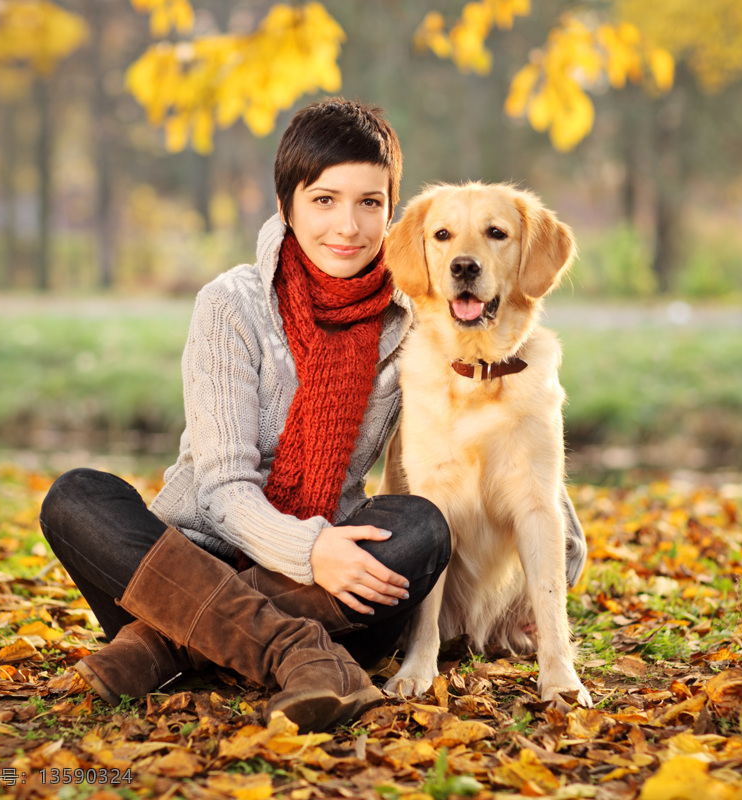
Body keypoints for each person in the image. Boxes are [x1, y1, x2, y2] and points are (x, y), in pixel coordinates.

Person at [39, 98, 586, 734]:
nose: (348, 227)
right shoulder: (231, 306)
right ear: (286, 207)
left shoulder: (416, 319)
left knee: (419, 528)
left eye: (369, 203)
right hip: (194, 561)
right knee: (78, 497)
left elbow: (511, 472)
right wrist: (309, 549)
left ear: (389, 213)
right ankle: (296, 656)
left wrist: (552, 557)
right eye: (324, 200)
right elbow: (220, 490)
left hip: (329, 590)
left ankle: (160, 647)